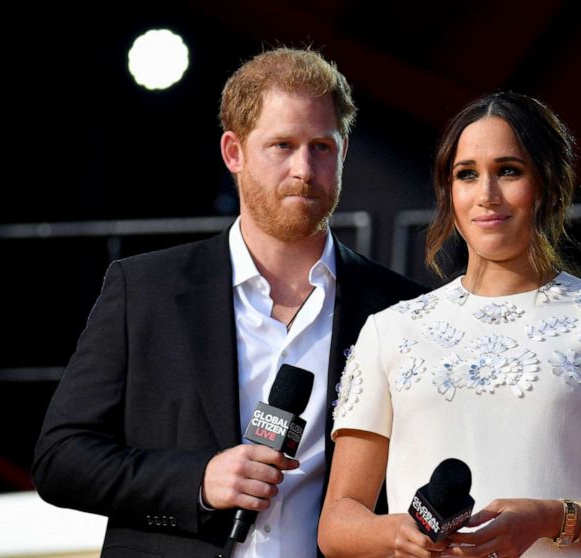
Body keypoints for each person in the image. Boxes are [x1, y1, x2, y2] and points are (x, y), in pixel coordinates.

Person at [32, 47, 426, 558]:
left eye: (321, 147)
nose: (304, 168)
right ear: (233, 152)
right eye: (281, 145)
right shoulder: (145, 290)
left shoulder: (398, 309)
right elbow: (60, 459)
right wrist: (198, 480)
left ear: (343, 152)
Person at [318, 91, 581, 557]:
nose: (486, 195)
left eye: (509, 171)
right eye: (467, 174)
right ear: (448, 191)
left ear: (550, 186)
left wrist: (548, 518)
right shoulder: (391, 330)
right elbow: (338, 522)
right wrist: (399, 534)